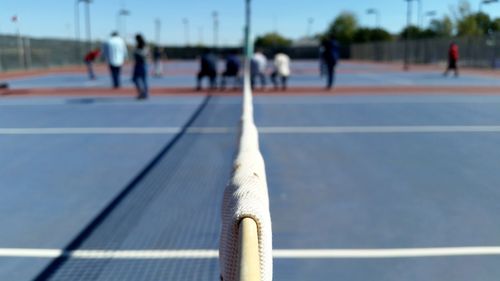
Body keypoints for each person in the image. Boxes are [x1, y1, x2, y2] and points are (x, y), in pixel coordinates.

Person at [132, 34, 149, 100]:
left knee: (142, 79)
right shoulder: (138, 46)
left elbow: (145, 54)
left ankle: (144, 93)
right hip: (138, 64)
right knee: (136, 79)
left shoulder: (144, 45)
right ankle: (142, 93)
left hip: (142, 64)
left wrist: (137, 52)